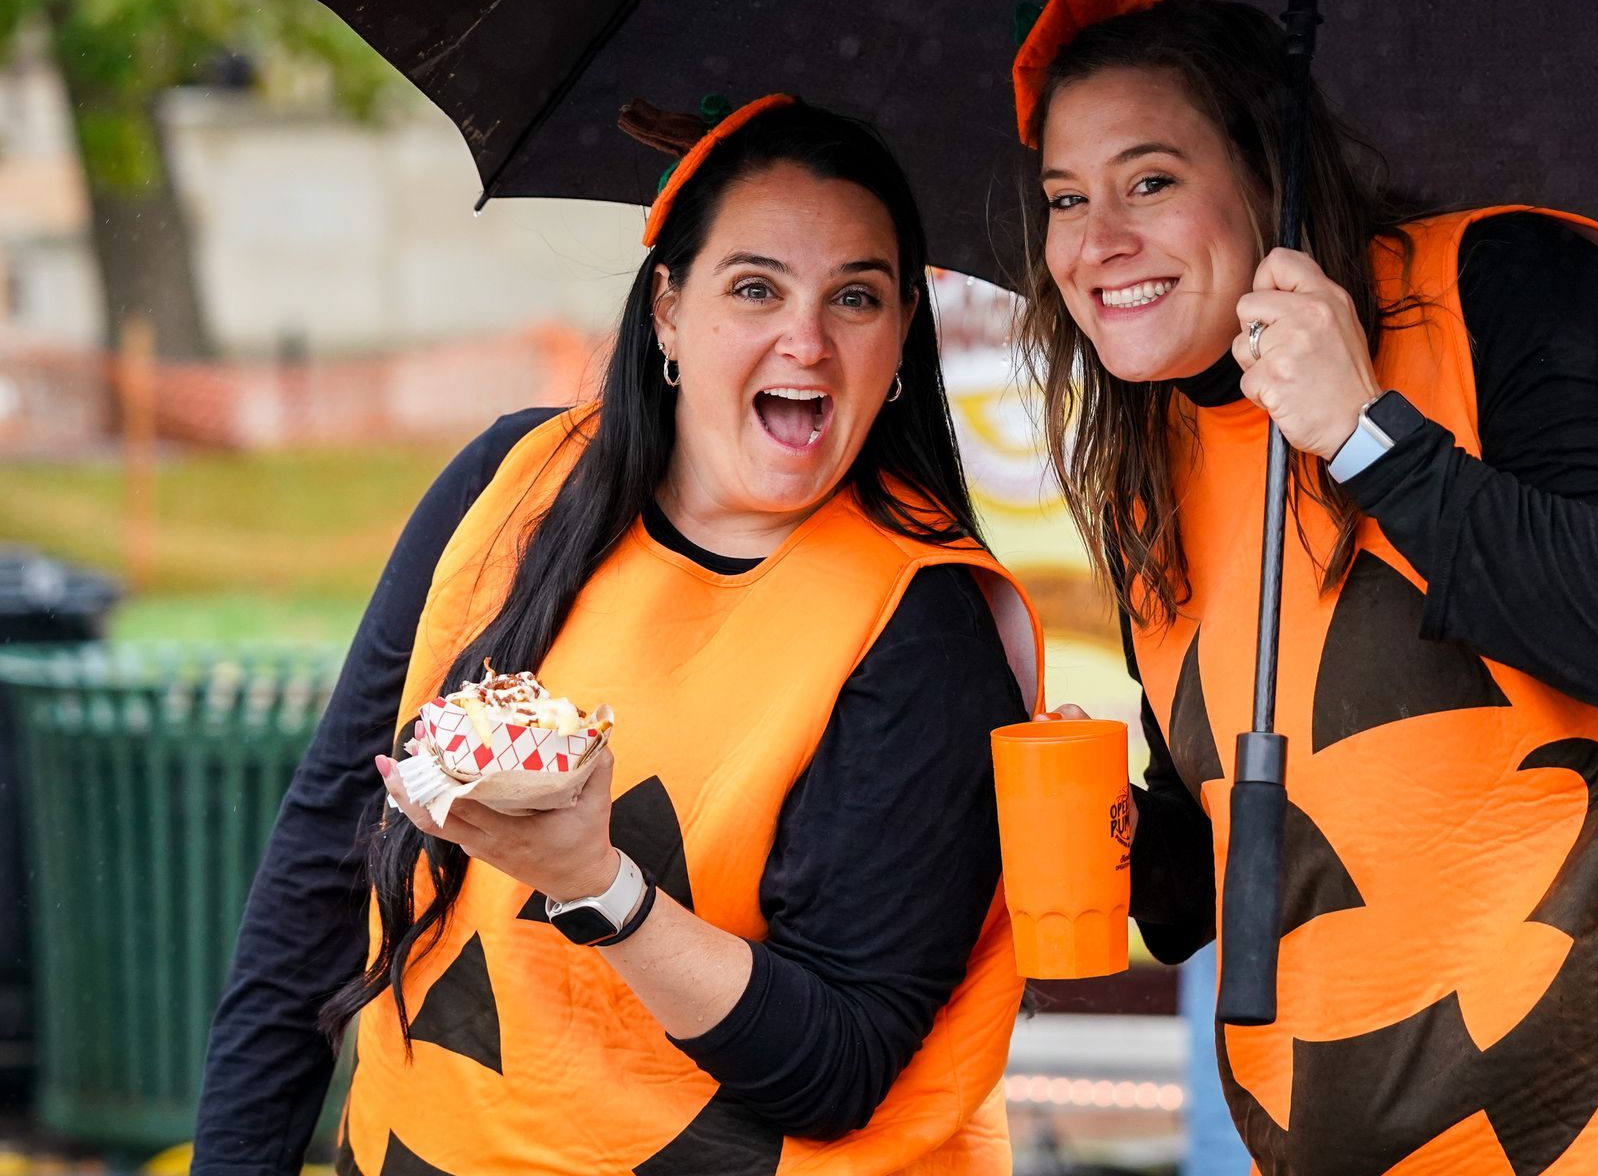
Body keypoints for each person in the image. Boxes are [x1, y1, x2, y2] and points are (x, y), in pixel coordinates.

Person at [1013, 0, 1598, 1173]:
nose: (1097, 241)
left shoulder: (1515, 286)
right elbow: (1214, 873)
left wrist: (1364, 434)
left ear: (1270, 179)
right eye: (1066, 198)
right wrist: (1104, 830)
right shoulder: (1151, 469)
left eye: (1151, 180)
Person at [192, 96, 1043, 1175]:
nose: (808, 339)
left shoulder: (925, 631)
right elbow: (326, 854)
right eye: (755, 287)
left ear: (901, 336)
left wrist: (600, 884)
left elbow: (838, 1068)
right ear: (667, 313)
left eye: (856, 297)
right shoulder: (509, 489)